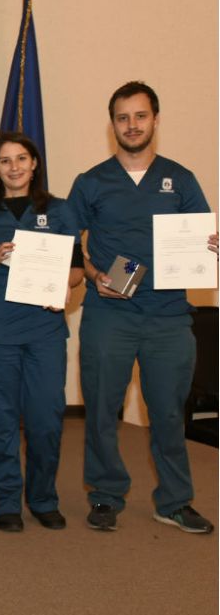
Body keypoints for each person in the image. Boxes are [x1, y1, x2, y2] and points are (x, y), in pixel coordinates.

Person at [68, 81, 217, 534]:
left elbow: (200, 238)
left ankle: (173, 501)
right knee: (101, 409)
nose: (131, 125)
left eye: (140, 116)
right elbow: (69, 246)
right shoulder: (91, 182)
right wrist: (94, 276)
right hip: (109, 316)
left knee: (170, 413)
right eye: (122, 117)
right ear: (112, 124)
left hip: (169, 317)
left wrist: (209, 247)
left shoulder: (182, 179)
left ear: (155, 119)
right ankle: (106, 496)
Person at [0, 132, 83, 532]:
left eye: (21, 158)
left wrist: (64, 287)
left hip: (44, 332)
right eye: (4, 160)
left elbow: (77, 270)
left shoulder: (61, 210)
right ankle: (6, 502)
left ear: (34, 164)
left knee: (46, 421)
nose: (14, 167)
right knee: (1, 422)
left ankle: (43, 498)